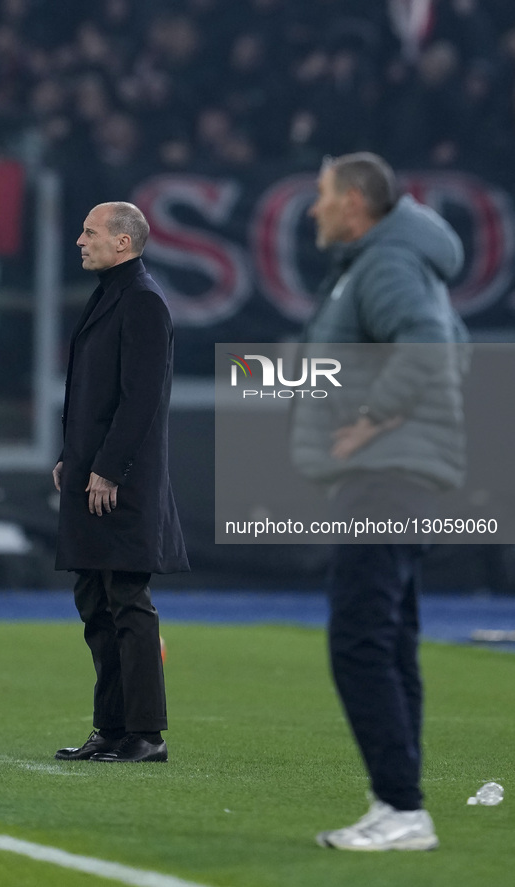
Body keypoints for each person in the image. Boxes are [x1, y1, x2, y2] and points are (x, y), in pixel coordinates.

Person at [290, 153, 468, 850]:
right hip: (397, 474)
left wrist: (367, 417)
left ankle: (401, 807)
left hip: (389, 475)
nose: (314, 209)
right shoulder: (377, 264)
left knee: (359, 639)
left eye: (323, 195)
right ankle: (395, 802)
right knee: (389, 640)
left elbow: (427, 348)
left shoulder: (387, 265)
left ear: (354, 203)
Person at [53, 201, 189, 764]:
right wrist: (73, 458)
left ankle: (146, 735)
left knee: (127, 602)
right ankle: (110, 729)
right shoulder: (116, 293)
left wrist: (109, 467)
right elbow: (93, 395)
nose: (80, 241)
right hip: (92, 475)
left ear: (123, 243)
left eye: (90, 232)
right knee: (96, 603)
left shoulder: (142, 300)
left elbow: (142, 399)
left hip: (119, 482)